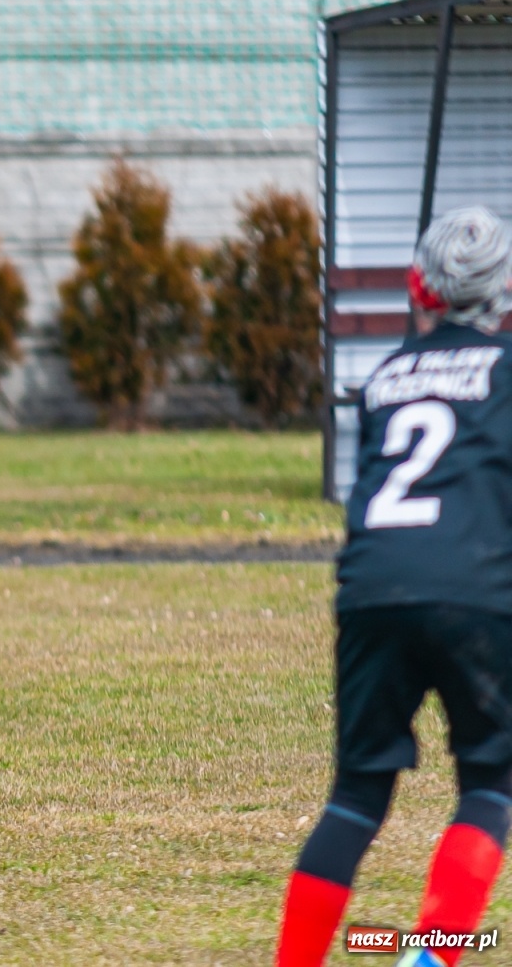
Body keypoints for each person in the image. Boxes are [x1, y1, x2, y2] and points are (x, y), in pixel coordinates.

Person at [275, 206, 512, 967]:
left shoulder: (383, 379)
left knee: (355, 796)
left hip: (372, 589)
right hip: (473, 594)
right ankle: (433, 956)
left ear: (419, 285)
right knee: (489, 781)